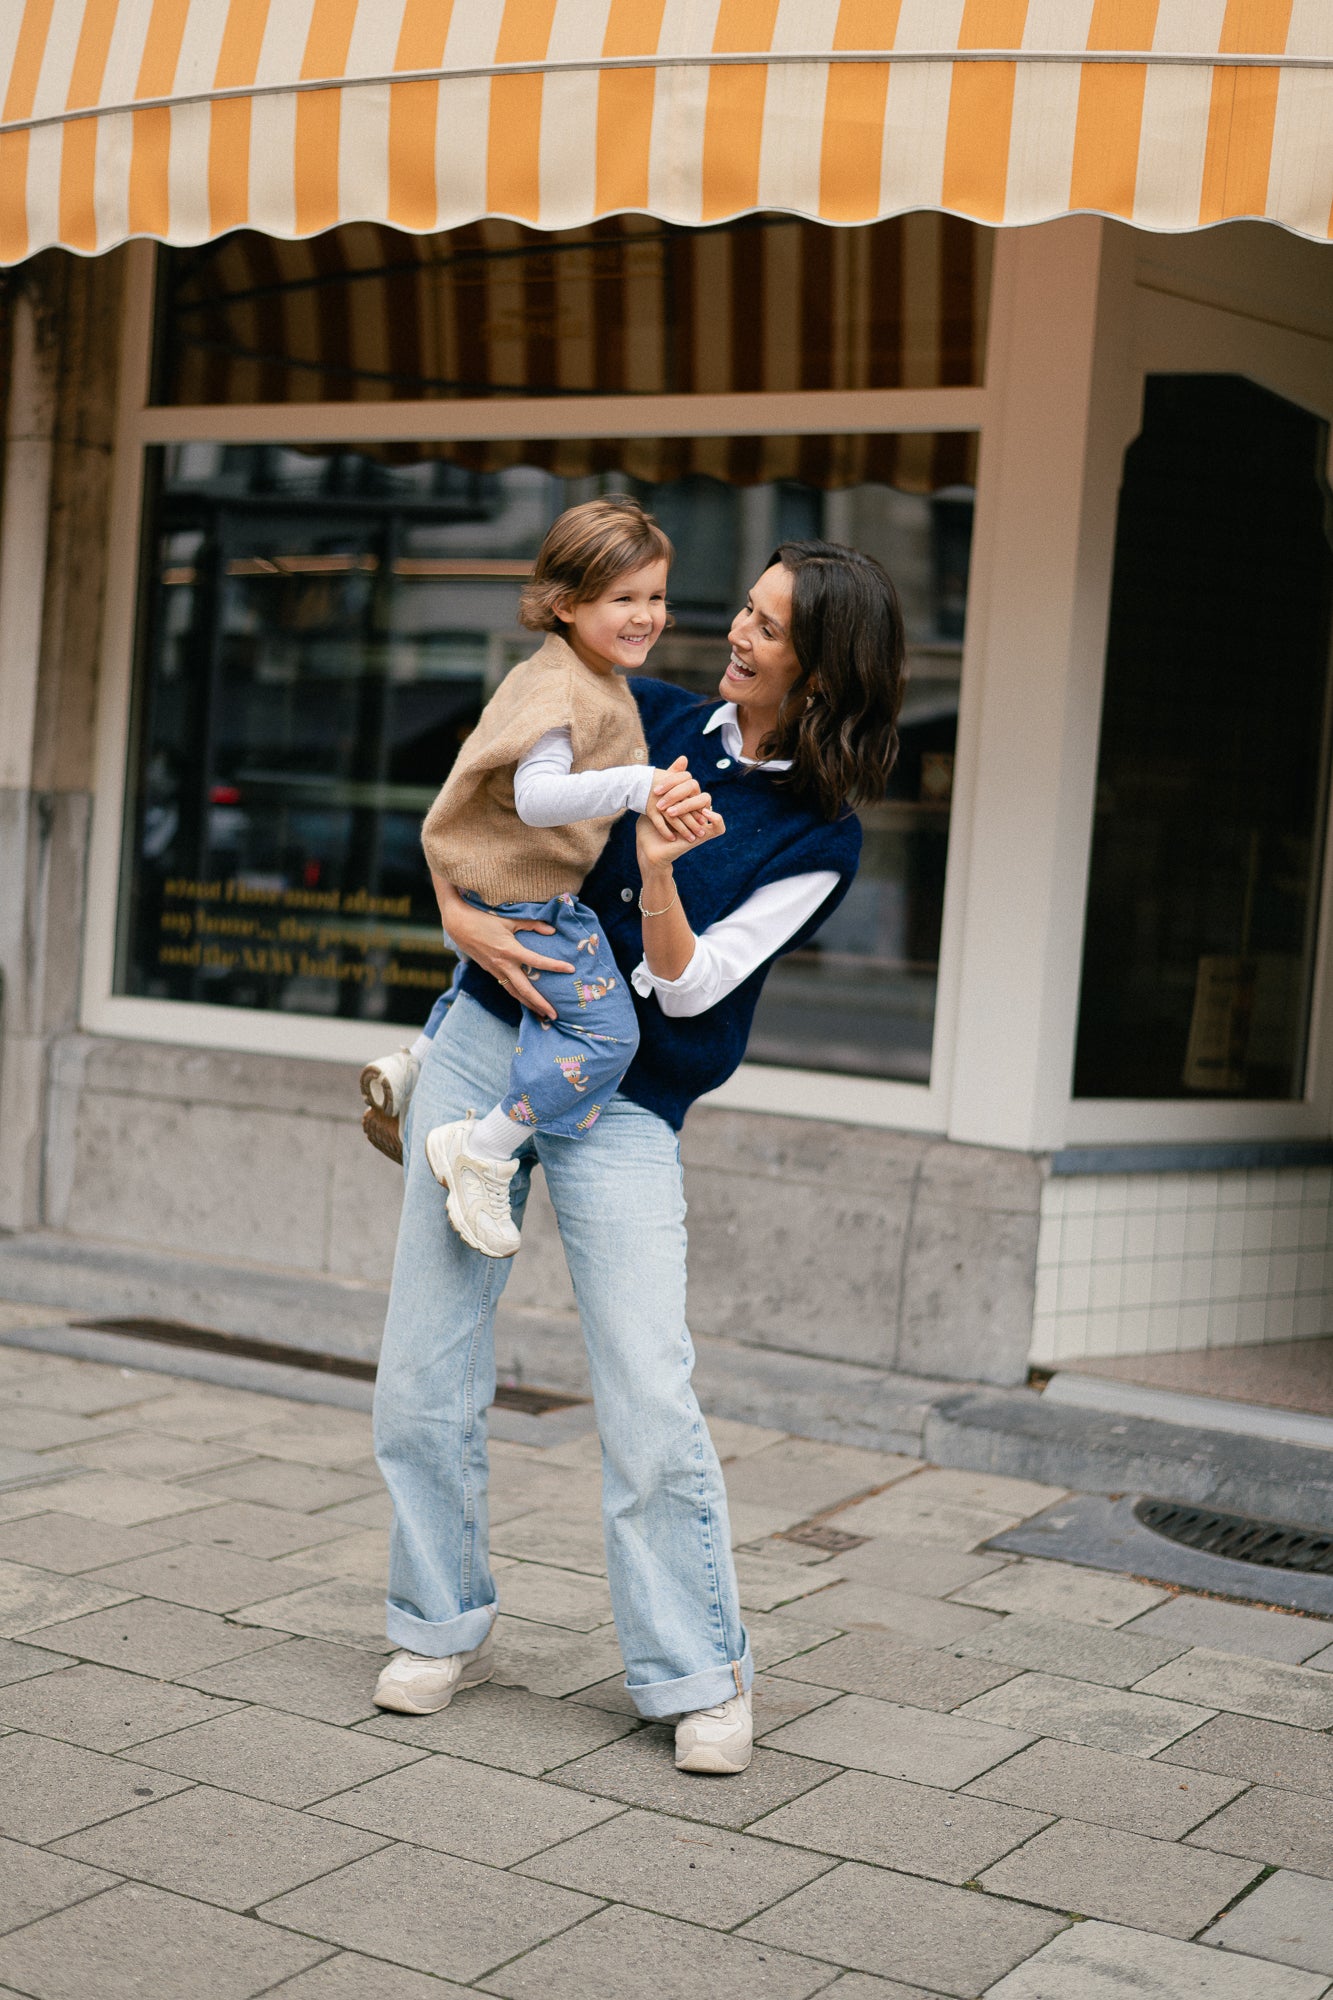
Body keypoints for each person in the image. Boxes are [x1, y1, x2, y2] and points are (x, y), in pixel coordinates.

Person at [371, 539, 904, 1775]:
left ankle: (696, 1671)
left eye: (768, 626)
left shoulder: (818, 836)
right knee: (424, 1366)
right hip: (489, 1037)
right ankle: (435, 1622)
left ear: (819, 669)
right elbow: (482, 813)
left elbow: (686, 987)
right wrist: (457, 917)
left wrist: (660, 869)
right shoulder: (642, 706)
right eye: (748, 608)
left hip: (629, 1100)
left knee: (650, 1394)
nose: (734, 630)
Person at [359, 495, 710, 1256]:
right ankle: (482, 1150)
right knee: (606, 1036)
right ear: (563, 603)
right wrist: (638, 784)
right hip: (528, 893)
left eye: (655, 597)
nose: (646, 615)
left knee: (488, 976)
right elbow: (535, 796)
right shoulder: (562, 690)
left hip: (496, 881)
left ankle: (416, 1063)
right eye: (623, 599)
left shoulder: (569, 672)